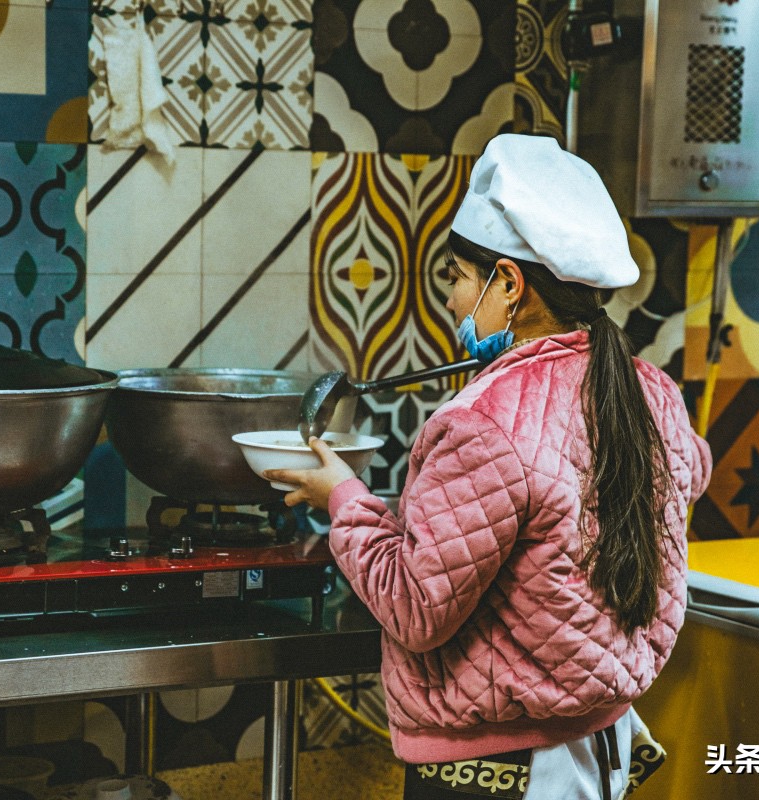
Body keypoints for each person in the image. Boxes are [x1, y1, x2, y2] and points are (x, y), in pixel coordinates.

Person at [263, 134, 713, 800]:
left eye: (456, 276)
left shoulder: (482, 423)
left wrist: (344, 496)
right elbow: (689, 470)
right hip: (599, 747)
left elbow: (416, 608)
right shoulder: (653, 392)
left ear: (507, 282)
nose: (450, 298)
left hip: (499, 772)